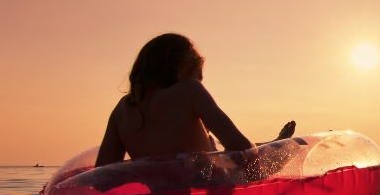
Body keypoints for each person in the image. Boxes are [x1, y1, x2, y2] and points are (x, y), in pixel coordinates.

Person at [96, 33, 295, 167]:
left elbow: (102, 176)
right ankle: (278, 144)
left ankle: (272, 142)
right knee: (288, 149)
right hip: (212, 192)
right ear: (182, 69)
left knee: (219, 148)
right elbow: (242, 149)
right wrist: (275, 149)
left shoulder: (122, 109)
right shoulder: (189, 90)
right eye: (198, 77)